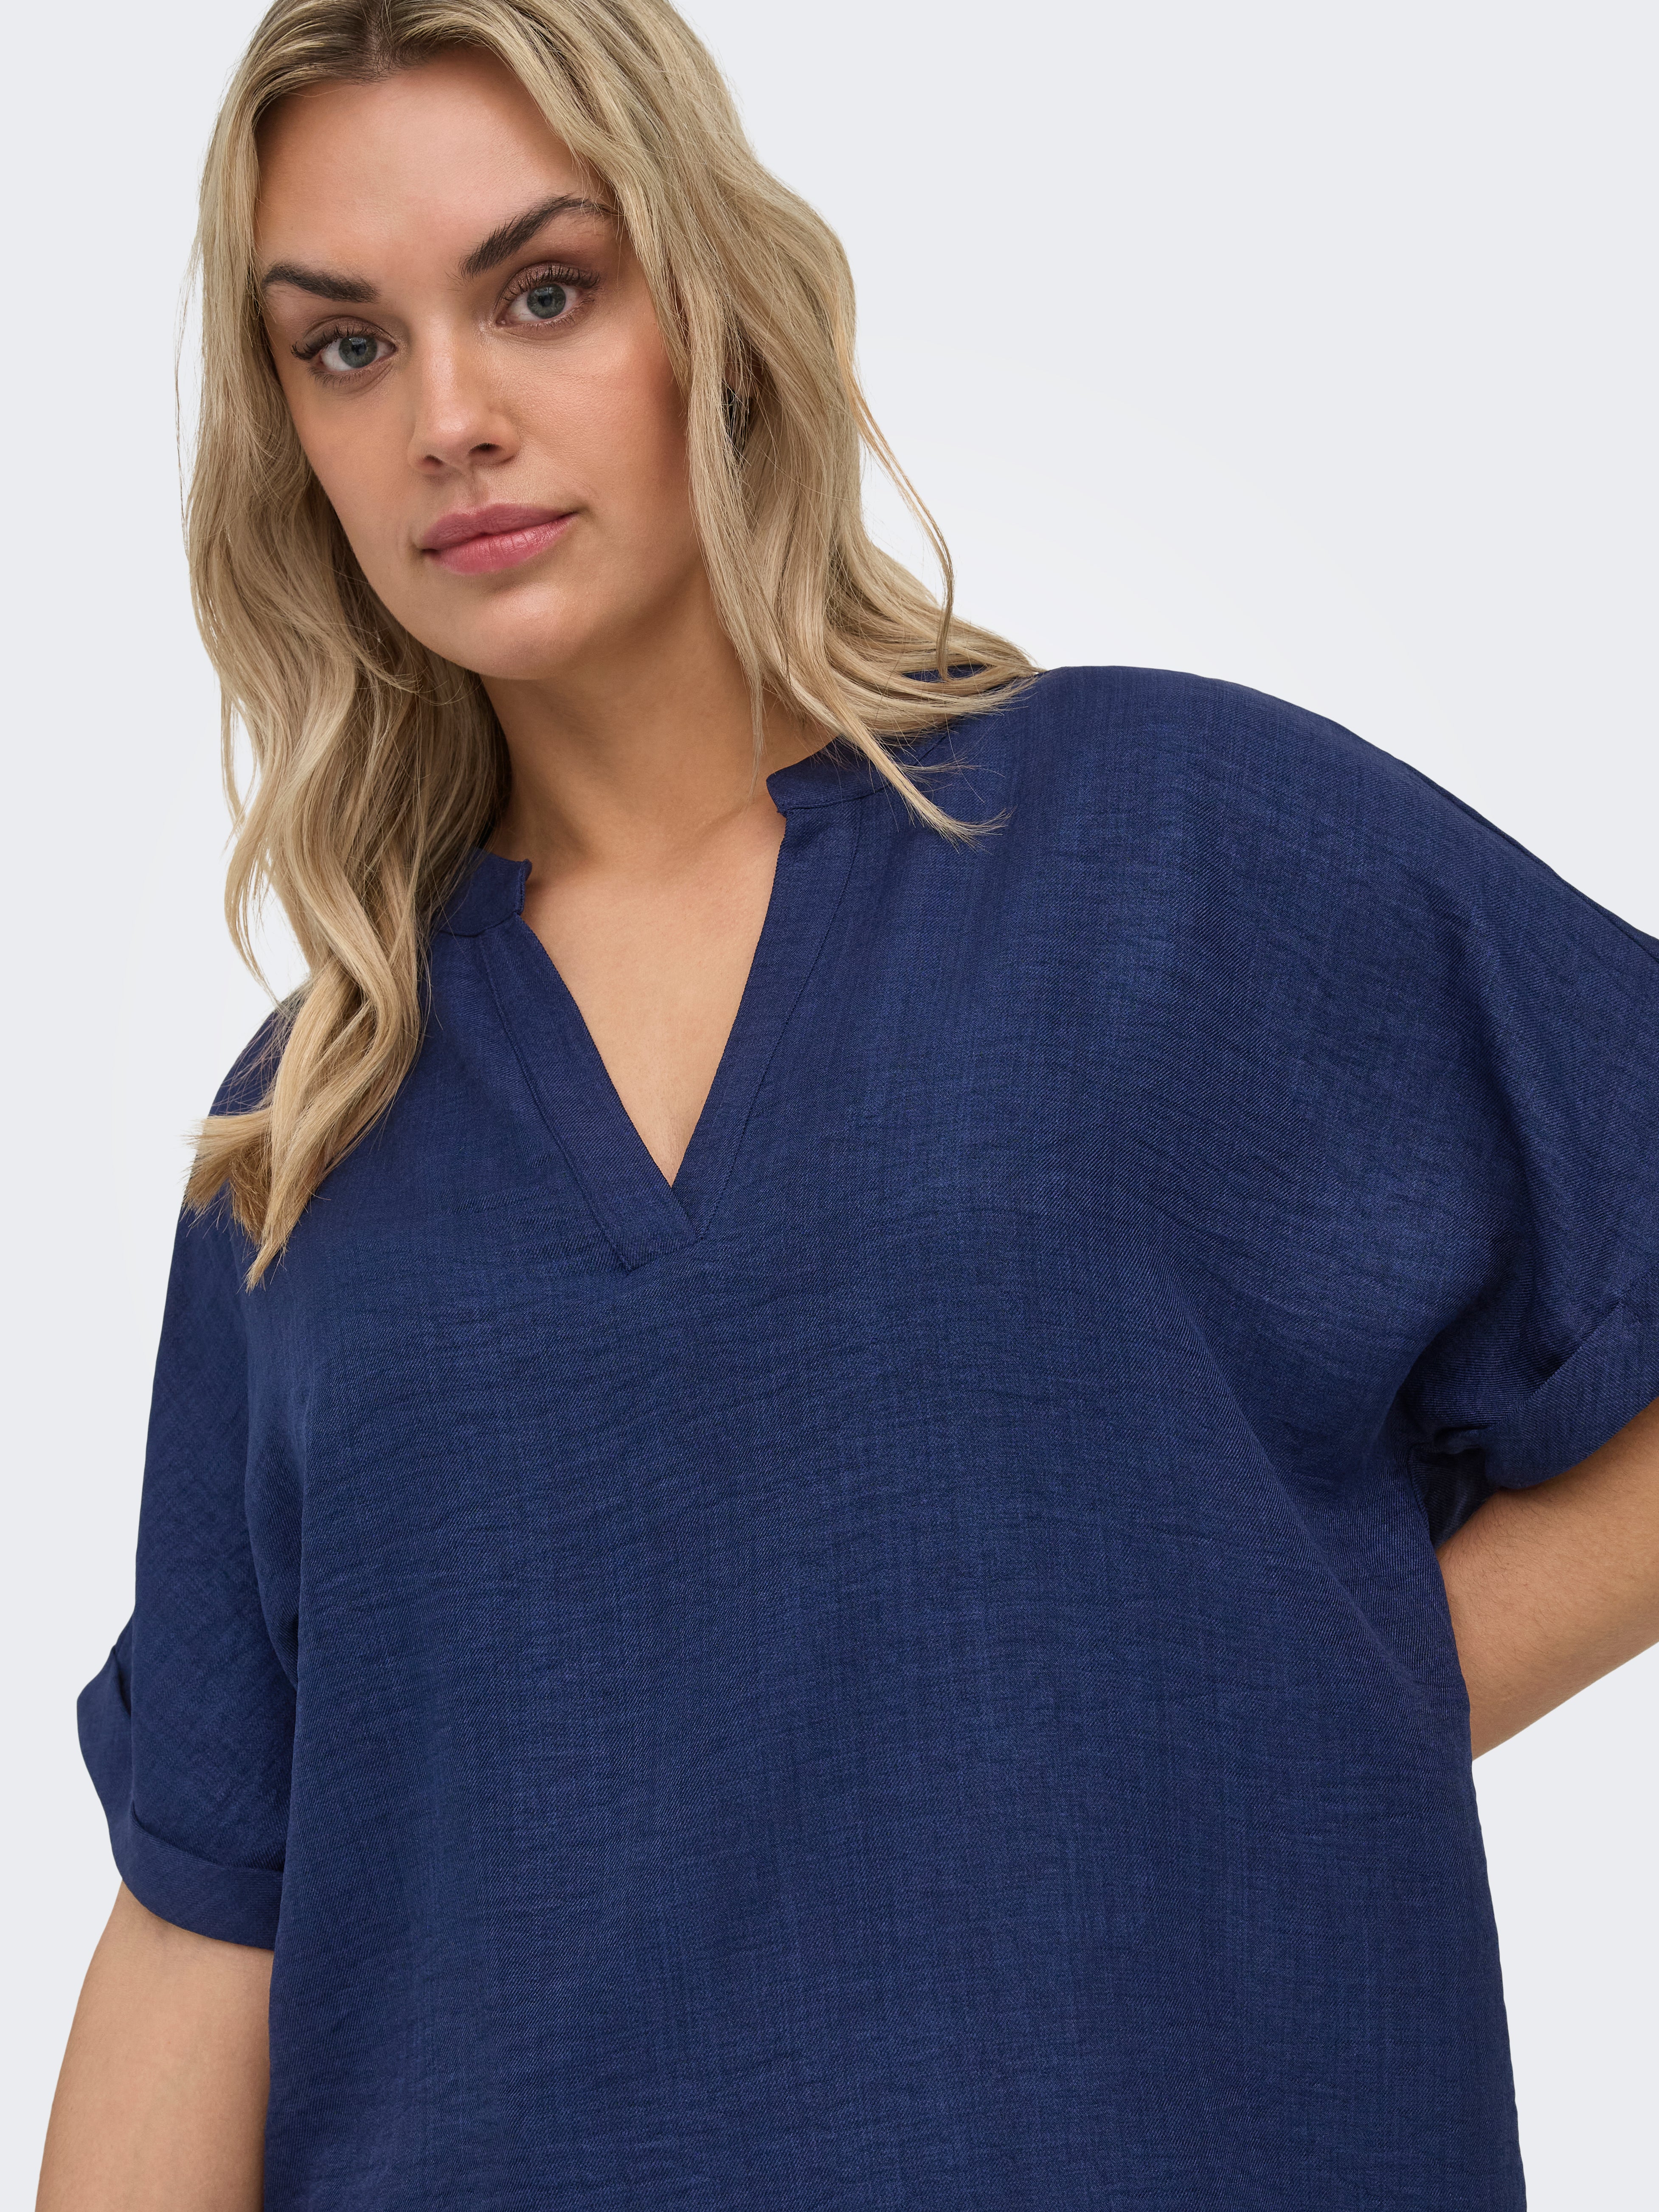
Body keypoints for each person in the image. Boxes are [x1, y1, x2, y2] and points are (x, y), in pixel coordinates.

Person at [36, 0, 1659, 2204]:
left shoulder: (1170, 850)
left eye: (543, 291)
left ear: (713, 308)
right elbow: (206, 1923)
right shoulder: (309, 1133)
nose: (448, 419)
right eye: (344, 346)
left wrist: (1287, 1720)